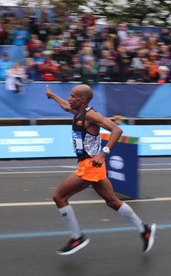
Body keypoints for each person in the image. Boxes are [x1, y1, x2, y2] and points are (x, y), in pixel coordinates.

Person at [45, 84, 157, 255]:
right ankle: (145, 229)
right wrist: (53, 96)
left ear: (82, 100)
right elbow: (66, 106)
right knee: (112, 202)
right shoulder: (78, 111)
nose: (69, 98)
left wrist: (103, 154)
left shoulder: (91, 115)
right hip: (90, 165)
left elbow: (116, 130)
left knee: (59, 197)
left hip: (91, 165)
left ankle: (77, 237)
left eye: (72, 95)